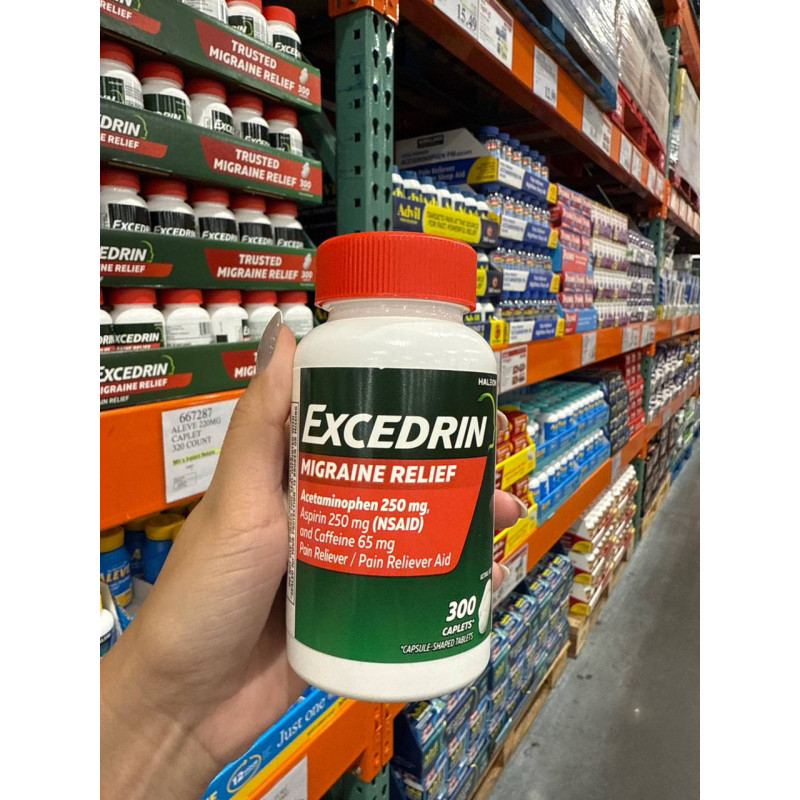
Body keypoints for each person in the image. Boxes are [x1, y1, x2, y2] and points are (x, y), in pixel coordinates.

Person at [100, 318, 526, 799]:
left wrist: (156, 722)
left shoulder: (464, 354)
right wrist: (160, 708)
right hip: (309, 626)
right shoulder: (321, 354)